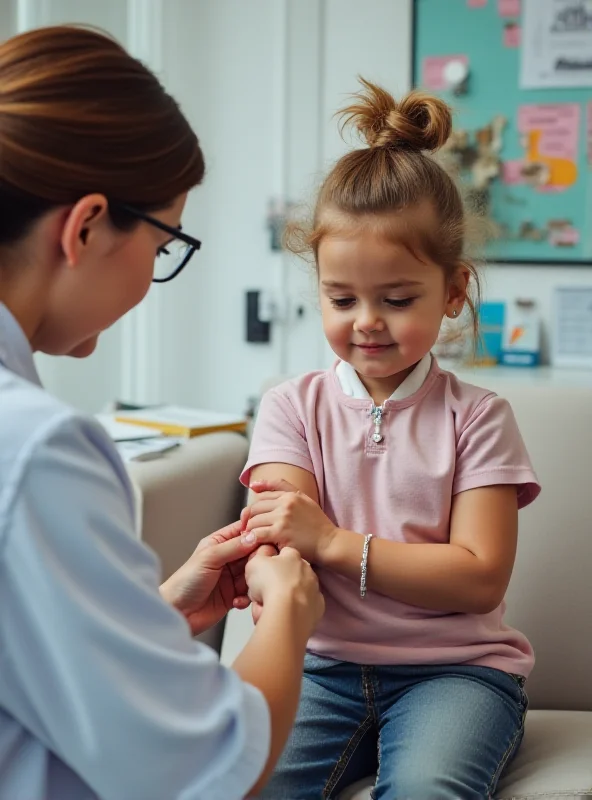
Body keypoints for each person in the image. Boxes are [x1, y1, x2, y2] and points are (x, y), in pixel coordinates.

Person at [0, 25, 325, 800]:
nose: (156, 271)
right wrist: (285, 619)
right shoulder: (37, 450)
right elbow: (205, 770)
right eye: (165, 240)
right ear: (84, 228)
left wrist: (156, 612)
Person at [241, 79, 541, 799]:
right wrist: (281, 558)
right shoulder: (291, 406)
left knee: (428, 789)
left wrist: (334, 543)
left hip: (458, 675)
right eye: (341, 298)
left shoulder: (479, 417)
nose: (366, 321)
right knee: (241, 782)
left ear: (454, 290)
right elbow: (279, 545)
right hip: (320, 668)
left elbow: (478, 577)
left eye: (397, 299)